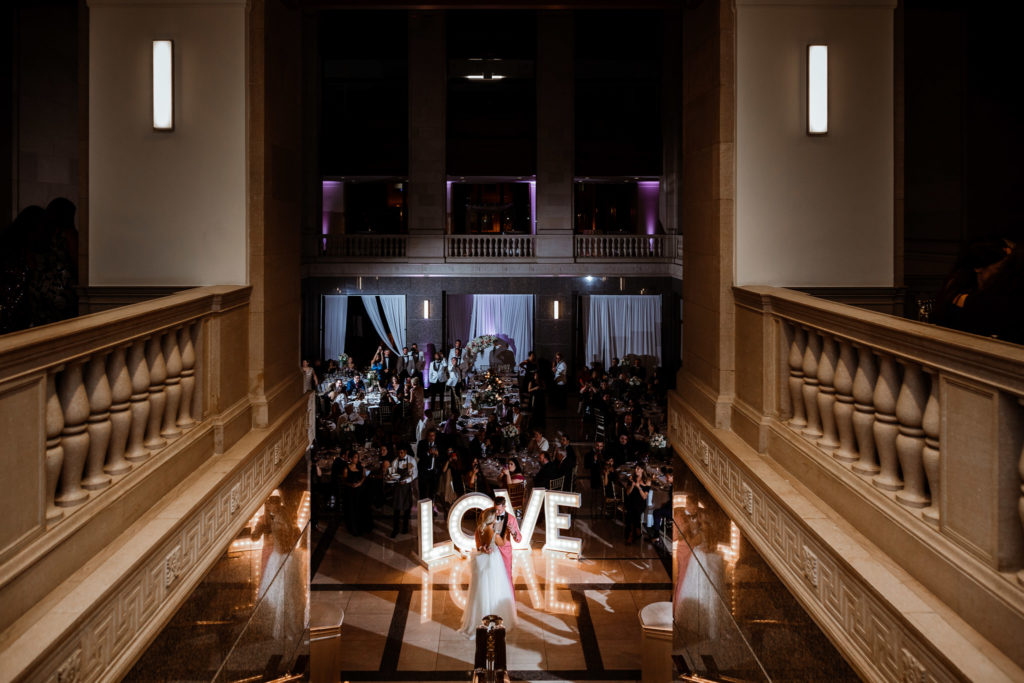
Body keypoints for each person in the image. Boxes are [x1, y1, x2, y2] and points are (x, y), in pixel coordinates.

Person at [458, 508, 517, 638]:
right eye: (495, 517)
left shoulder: (479, 529)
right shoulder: (493, 532)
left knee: (481, 590)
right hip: (493, 562)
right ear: (492, 519)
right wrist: (506, 532)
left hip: (481, 561)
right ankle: (493, 618)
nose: (497, 518)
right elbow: (502, 543)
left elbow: (478, 544)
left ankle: (479, 619)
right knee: (495, 589)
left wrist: (482, 548)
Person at [491, 500, 521, 590]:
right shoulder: (491, 516)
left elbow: (518, 539)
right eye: (495, 510)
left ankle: (509, 601)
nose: (497, 512)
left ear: (504, 507)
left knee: (507, 576)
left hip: (505, 551)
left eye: (499, 510)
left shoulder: (511, 518)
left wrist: (513, 532)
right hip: (493, 550)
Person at [388, 447, 418, 537]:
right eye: (398, 453)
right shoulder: (395, 461)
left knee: (407, 508)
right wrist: (392, 477)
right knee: (396, 509)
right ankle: (395, 529)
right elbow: (392, 472)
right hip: (398, 487)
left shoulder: (411, 460)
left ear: (405, 451)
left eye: (401, 452)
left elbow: (415, 473)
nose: (400, 454)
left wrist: (407, 480)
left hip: (407, 486)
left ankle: (405, 528)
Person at [625, 463, 650, 544]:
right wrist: (632, 486)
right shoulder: (631, 478)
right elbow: (628, 493)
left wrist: (639, 487)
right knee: (631, 511)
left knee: (634, 511)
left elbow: (644, 497)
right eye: (635, 468)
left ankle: (632, 534)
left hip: (640, 503)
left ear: (642, 470)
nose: (636, 470)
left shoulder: (647, 481)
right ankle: (635, 531)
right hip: (631, 501)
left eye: (638, 469)